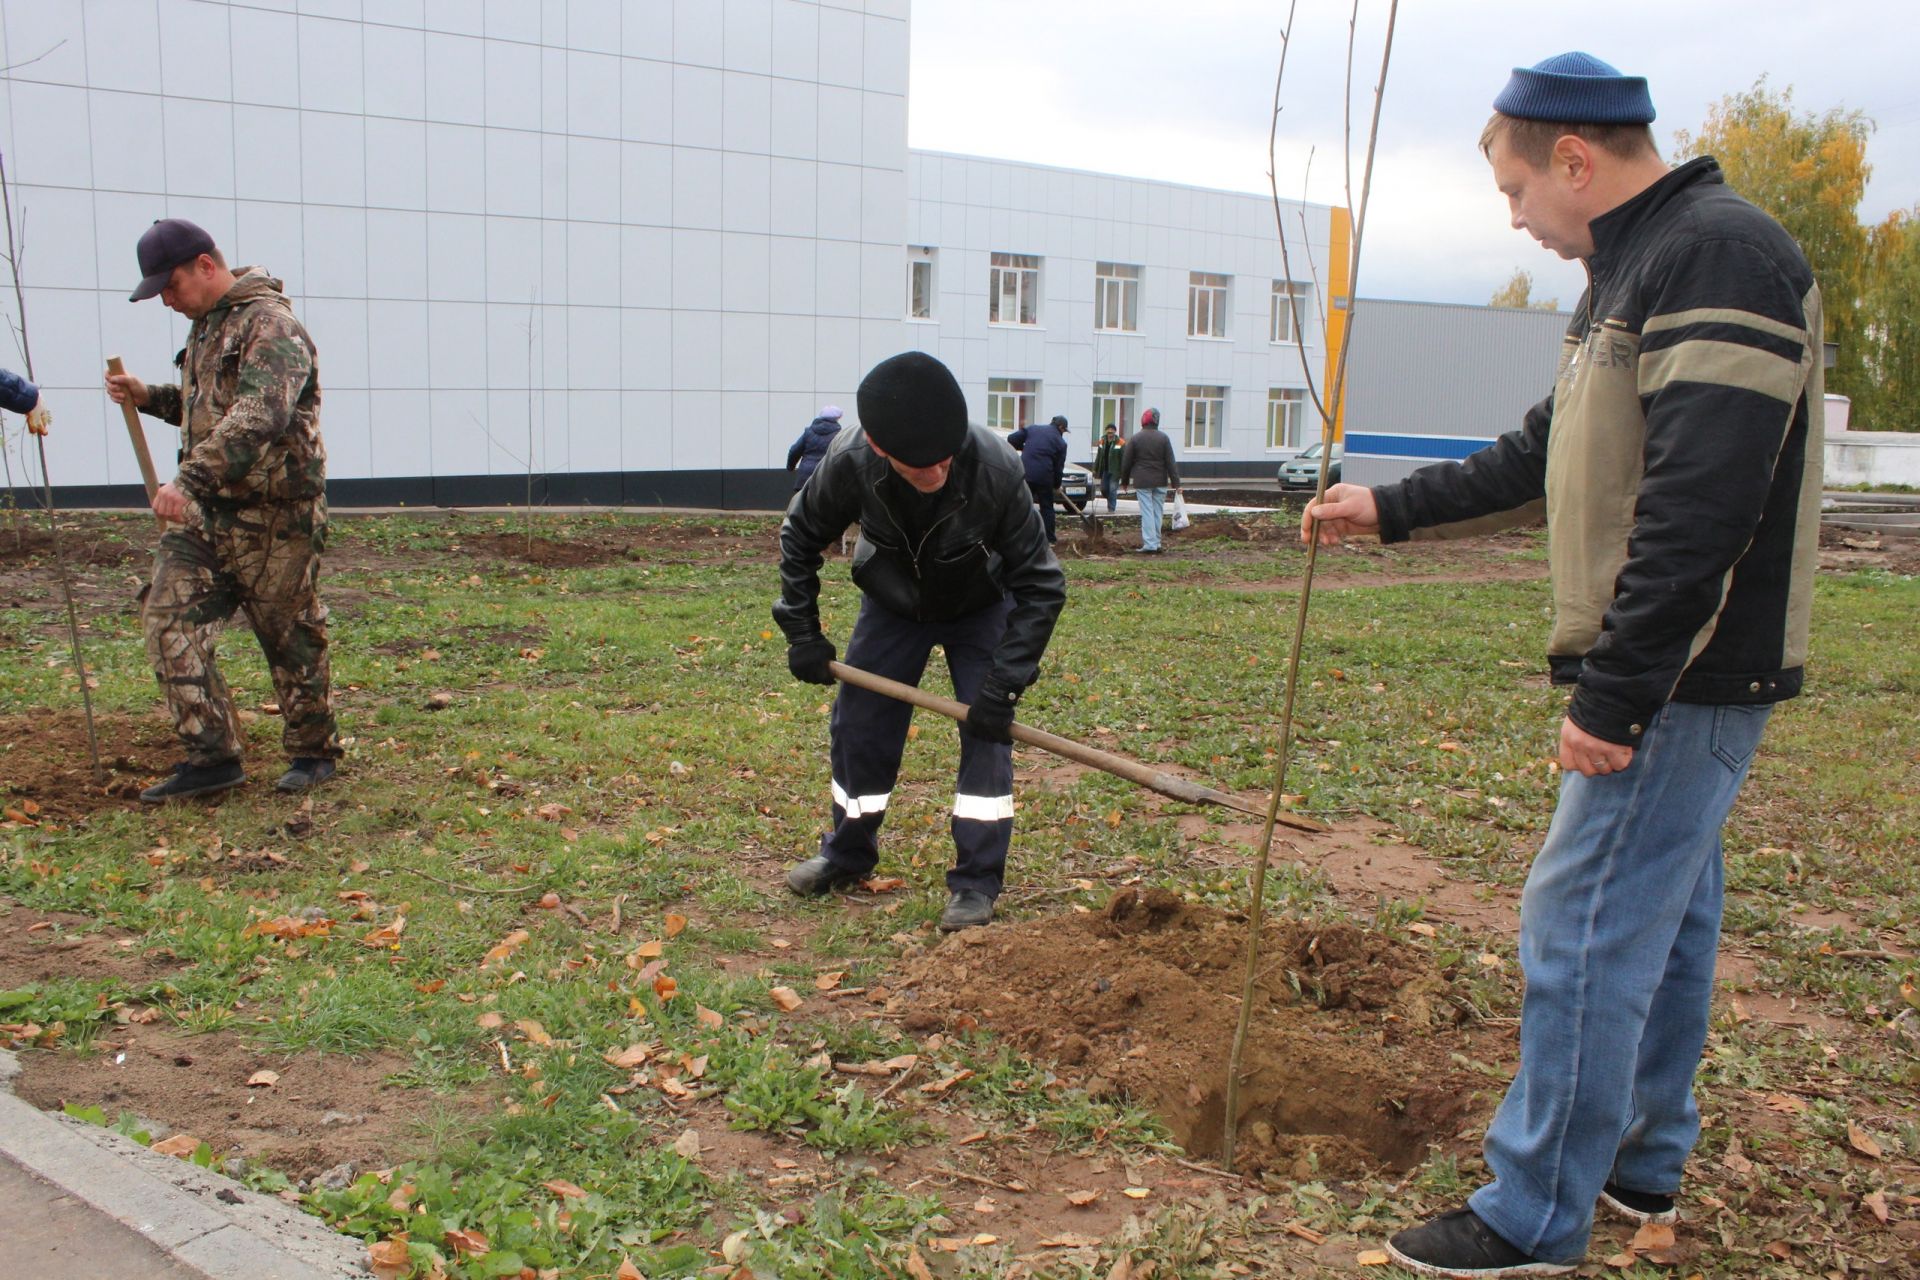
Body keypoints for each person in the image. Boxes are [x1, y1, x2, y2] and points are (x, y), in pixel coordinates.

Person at [1305, 53, 1824, 1278]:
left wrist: (1618, 688)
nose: (1516, 218)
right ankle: (1642, 1158)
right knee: (1668, 917)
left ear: (1575, 160)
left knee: (1581, 917)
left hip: (1683, 670)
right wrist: (1391, 508)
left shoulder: (1716, 254)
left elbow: (1703, 502)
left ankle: (1534, 1212)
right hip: (1675, 670)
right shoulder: (1632, 271)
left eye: (1513, 190)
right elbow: (1550, 447)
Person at [773, 352, 1066, 932]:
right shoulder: (850, 460)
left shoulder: (998, 471)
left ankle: (977, 884)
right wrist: (804, 632)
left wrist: (1004, 685)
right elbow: (800, 536)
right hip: (892, 603)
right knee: (859, 727)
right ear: (881, 450)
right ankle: (847, 852)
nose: (935, 473)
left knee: (987, 737)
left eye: (943, 460)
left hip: (981, 604)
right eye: (918, 465)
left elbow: (1042, 585)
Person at [105, 218, 342, 803]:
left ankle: (313, 750)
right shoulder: (208, 327)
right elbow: (208, 412)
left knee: (288, 636)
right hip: (210, 517)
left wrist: (186, 480)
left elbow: (260, 415)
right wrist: (151, 397)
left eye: (171, 284)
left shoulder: (272, 326)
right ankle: (212, 755)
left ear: (206, 266)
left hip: (276, 519)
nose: (165, 297)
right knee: (167, 617)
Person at [1119, 407, 1180, 553]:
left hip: (1143, 481)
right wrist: (1176, 483)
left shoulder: (1135, 438)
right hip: (1160, 481)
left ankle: (1150, 544)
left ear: (1143, 420)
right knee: (1157, 512)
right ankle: (1157, 542)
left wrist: (1125, 481)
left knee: (1147, 512)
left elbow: (1126, 462)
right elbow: (1171, 462)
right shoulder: (1164, 438)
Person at [1007, 413, 1069, 544]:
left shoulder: (1033, 429)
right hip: (1044, 477)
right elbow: (1059, 467)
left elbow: (1011, 439)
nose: (1063, 433)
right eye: (1064, 430)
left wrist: (1025, 448)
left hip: (1025, 474)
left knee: (1022, 506)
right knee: (1047, 507)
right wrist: (1057, 485)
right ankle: (1049, 539)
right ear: (1061, 427)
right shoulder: (1061, 443)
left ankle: (1018, 538)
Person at [786, 404, 844, 490]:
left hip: (806, 477)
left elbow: (794, 451)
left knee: (802, 502)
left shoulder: (808, 432)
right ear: (837, 418)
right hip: (827, 477)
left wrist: (790, 467)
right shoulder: (839, 435)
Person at [1092, 423, 1124, 513]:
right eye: (1108, 432)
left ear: (1114, 432)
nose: (1110, 434)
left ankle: (1111, 509)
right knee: (1104, 489)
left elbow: (1123, 458)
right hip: (1105, 470)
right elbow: (1098, 456)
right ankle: (1110, 500)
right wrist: (1095, 468)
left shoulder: (1120, 442)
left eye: (1112, 432)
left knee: (1113, 490)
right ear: (1106, 432)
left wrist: (1123, 472)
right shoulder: (1102, 441)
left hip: (1115, 471)